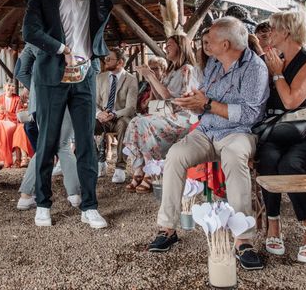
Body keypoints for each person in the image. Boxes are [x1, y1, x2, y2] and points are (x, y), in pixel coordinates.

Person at [22, 0, 155, 228]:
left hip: (84, 77)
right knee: (47, 142)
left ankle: (89, 206)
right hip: (51, 77)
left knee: (85, 142)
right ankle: (43, 203)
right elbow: (29, 31)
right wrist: (61, 49)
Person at [148, 17, 269, 272]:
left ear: (225, 44)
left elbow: (249, 115)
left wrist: (206, 105)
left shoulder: (255, 68)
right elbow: (205, 96)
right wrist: (192, 100)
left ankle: (243, 240)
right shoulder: (214, 64)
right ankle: (167, 228)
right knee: (175, 155)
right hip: (206, 130)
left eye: (210, 40)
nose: (205, 45)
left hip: (238, 133)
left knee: (235, 157)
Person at [256, 10, 306, 263]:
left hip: (304, 130)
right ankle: (273, 225)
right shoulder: (273, 58)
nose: (268, 34)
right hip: (276, 129)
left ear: (286, 32)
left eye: (272, 29)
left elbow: (291, 100)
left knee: (290, 165)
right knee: (269, 162)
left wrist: (277, 73)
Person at [123, 35, 200, 194]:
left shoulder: (187, 69)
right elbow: (157, 99)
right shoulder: (170, 71)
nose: (166, 47)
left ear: (181, 46)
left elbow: (170, 98)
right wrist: (150, 79)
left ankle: (152, 172)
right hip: (166, 114)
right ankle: (139, 169)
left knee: (143, 123)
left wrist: (151, 76)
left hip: (183, 117)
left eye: (169, 45)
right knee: (135, 121)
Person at [15, 44, 81, 211]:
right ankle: (75, 195)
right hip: (69, 94)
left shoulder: (35, 41)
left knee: (46, 146)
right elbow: (90, 67)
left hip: (41, 101)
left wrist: (37, 87)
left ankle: (26, 195)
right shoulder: (74, 38)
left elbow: (20, 71)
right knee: (63, 145)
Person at [95, 47, 138, 183]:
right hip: (103, 117)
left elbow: (130, 108)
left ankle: (120, 167)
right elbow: (94, 102)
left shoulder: (131, 79)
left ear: (120, 62)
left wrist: (113, 114)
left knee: (125, 123)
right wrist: (99, 113)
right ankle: (99, 161)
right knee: (85, 124)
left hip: (120, 117)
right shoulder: (100, 78)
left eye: (109, 59)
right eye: (105, 58)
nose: (105, 61)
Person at [0, 81, 32, 168]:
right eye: (9, 86)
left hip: (13, 123)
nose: (11, 88)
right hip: (3, 122)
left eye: (12, 86)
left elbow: (17, 116)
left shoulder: (17, 99)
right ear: (4, 87)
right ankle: (4, 158)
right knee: (0, 126)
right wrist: (2, 112)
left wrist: (7, 112)